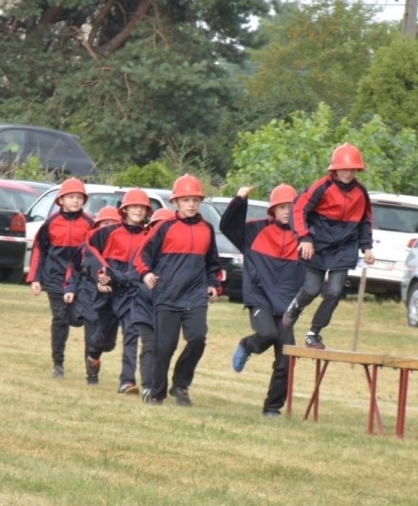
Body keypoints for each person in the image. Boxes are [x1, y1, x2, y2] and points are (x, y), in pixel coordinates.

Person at [281, 143, 375, 349]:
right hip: (317, 245)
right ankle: (295, 308)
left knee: (334, 291)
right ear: (335, 169)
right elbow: (298, 209)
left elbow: (365, 221)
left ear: (357, 170)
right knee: (312, 289)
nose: (348, 173)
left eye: (352, 169)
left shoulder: (361, 193)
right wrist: (304, 237)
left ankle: (314, 333)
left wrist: (367, 247)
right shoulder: (322, 186)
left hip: (344, 248)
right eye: (344, 169)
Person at [137, 175, 220, 406]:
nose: (191, 204)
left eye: (195, 200)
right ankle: (157, 393)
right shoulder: (164, 228)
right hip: (167, 295)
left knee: (198, 338)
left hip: (195, 296)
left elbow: (213, 263)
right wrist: (146, 273)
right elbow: (142, 255)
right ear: (176, 202)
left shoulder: (207, 229)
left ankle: (181, 385)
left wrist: (213, 284)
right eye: (186, 200)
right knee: (165, 347)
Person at [222, 184, 304, 417]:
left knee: (287, 358)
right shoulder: (254, 232)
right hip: (260, 300)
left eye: (291, 207)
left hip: (287, 305)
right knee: (268, 334)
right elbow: (227, 226)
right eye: (281, 207)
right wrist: (240, 201)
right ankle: (247, 345)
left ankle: (272, 408)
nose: (286, 211)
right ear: (272, 210)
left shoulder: (304, 238)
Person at [77, 189, 154, 391]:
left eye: (142, 207)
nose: (138, 210)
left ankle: (127, 381)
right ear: (125, 209)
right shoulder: (108, 233)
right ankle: (93, 355)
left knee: (132, 332)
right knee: (103, 337)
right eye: (134, 206)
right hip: (109, 291)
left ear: (147, 211)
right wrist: (100, 274)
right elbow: (89, 251)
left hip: (133, 290)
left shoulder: (149, 237)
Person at [26, 177, 94, 379]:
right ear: (61, 200)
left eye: (79, 197)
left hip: (82, 281)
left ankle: (91, 366)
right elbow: (39, 250)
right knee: (60, 319)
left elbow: (97, 254)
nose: (75, 201)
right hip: (55, 279)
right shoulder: (50, 224)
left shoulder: (90, 224)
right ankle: (58, 364)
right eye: (71, 197)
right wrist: (36, 278)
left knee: (81, 320)